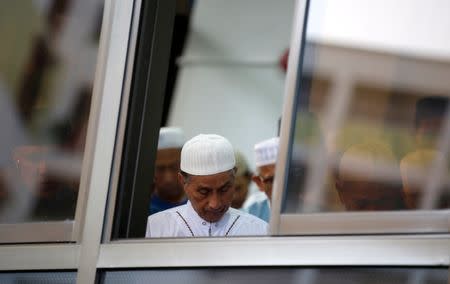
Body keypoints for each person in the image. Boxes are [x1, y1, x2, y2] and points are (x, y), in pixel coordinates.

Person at [145, 134, 268, 237]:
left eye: (224, 190)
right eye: (204, 192)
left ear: (234, 176)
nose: (215, 204)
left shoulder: (259, 231)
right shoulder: (154, 229)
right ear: (183, 181)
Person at [400, 96, 450, 209]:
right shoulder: (410, 162)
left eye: (439, 129)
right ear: (416, 133)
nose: (433, 136)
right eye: (428, 126)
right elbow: (414, 205)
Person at [335, 142, 406, 211]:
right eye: (362, 204)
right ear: (341, 192)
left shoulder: (412, 218)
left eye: (382, 203)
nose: (373, 211)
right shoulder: (327, 220)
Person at [149, 127, 187, 215]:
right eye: (160, 169)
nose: (168, 178)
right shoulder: (143, 211)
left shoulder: (201, 206)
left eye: (174, 167)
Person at [243, 137, 279, 222]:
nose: (283, 187)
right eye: (273, 180)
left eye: (288, 178)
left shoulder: (308, 205)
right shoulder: (252, 211)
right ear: (259, 183)